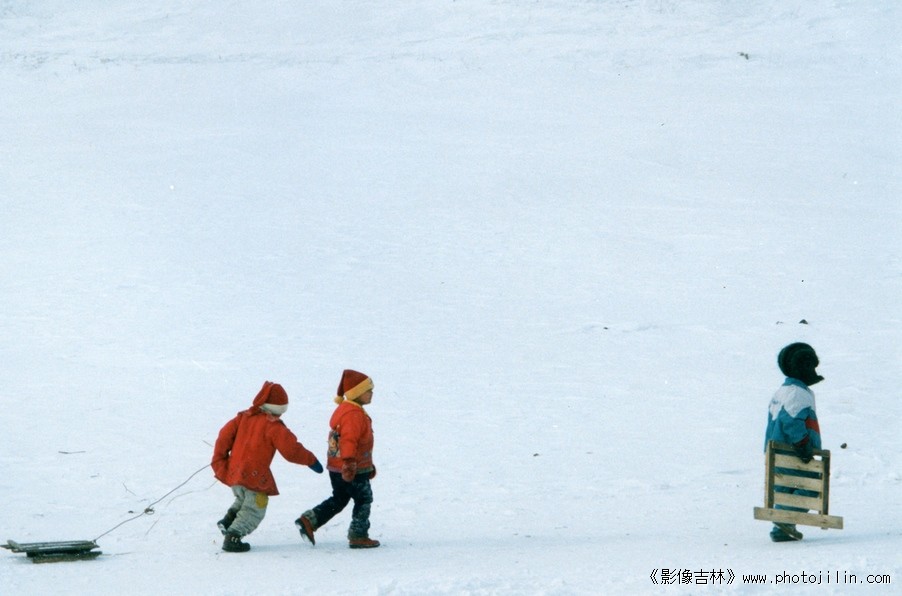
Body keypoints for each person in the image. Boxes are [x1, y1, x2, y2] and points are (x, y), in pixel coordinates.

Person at [212, 381, 323, 552]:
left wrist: (219, 460)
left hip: (235, 472)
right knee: (255, 506)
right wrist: (311, 460)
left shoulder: (243, 418)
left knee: (243, 499)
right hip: (254, 475)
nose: (279, 416)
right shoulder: (273, 426)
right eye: (279, 412)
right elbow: (291, 450)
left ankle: (228, 521)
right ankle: (233, 536)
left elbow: (223, 437)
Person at [296, 369, 380, 549]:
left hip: (337, 467)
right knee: (364, 499)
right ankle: (358, 534)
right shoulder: (354, 415)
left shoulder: (346, 410)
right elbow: (349, 440)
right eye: (368, 390)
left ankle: (309, 520)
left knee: (340, 498)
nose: (372, 393)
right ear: (357, 393)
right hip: (351, 468)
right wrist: (350, 463)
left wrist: (368, 465)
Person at [764, 343, 824, 542]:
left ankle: (782, 529)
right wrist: (803, 444)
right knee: (811, 485)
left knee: (785, 487)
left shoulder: (782, 391)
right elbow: (791, 421)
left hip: (776, 451)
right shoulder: (798, 393)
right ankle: (783, 519)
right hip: (792, 451)